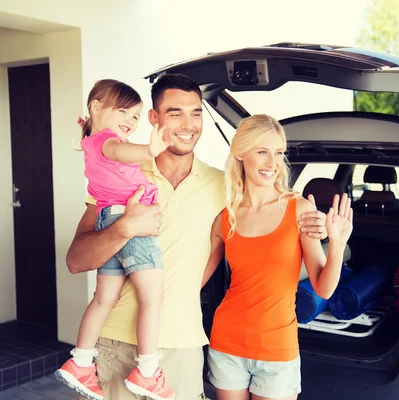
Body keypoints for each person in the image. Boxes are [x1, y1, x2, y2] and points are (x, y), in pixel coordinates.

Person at [64, 74, 329, 400]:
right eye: (175, 113)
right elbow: (75, 261)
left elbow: (269, 202)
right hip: (115, 341)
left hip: (183, 345)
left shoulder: (224, 188)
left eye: (196, 113)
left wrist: (313, 222)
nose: (188, 124)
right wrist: (124, 228)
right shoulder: (121, 175)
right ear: (154, 119)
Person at [202, 114, 353, 400]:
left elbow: (323, 288)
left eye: (278, 153)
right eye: (262, 151)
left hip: (276, 350)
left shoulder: (299, 209)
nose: (272, 163)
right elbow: (197, 278)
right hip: (226, 343)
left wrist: (337, 244)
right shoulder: (225, 217)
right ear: (241, 153)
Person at [56, 79, 176, 400]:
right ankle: (149, 371)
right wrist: (149, 149)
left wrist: (88, 125)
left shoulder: (90, 140)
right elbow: (120, 150)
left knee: (102, 299)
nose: (131, 121)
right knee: (151, 297)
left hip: (107, 217)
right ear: (96, 107)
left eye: (135, 116)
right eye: (123, 111)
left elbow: (85, 142)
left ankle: (81, 361)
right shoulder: (108, 141)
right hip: (131, 220)